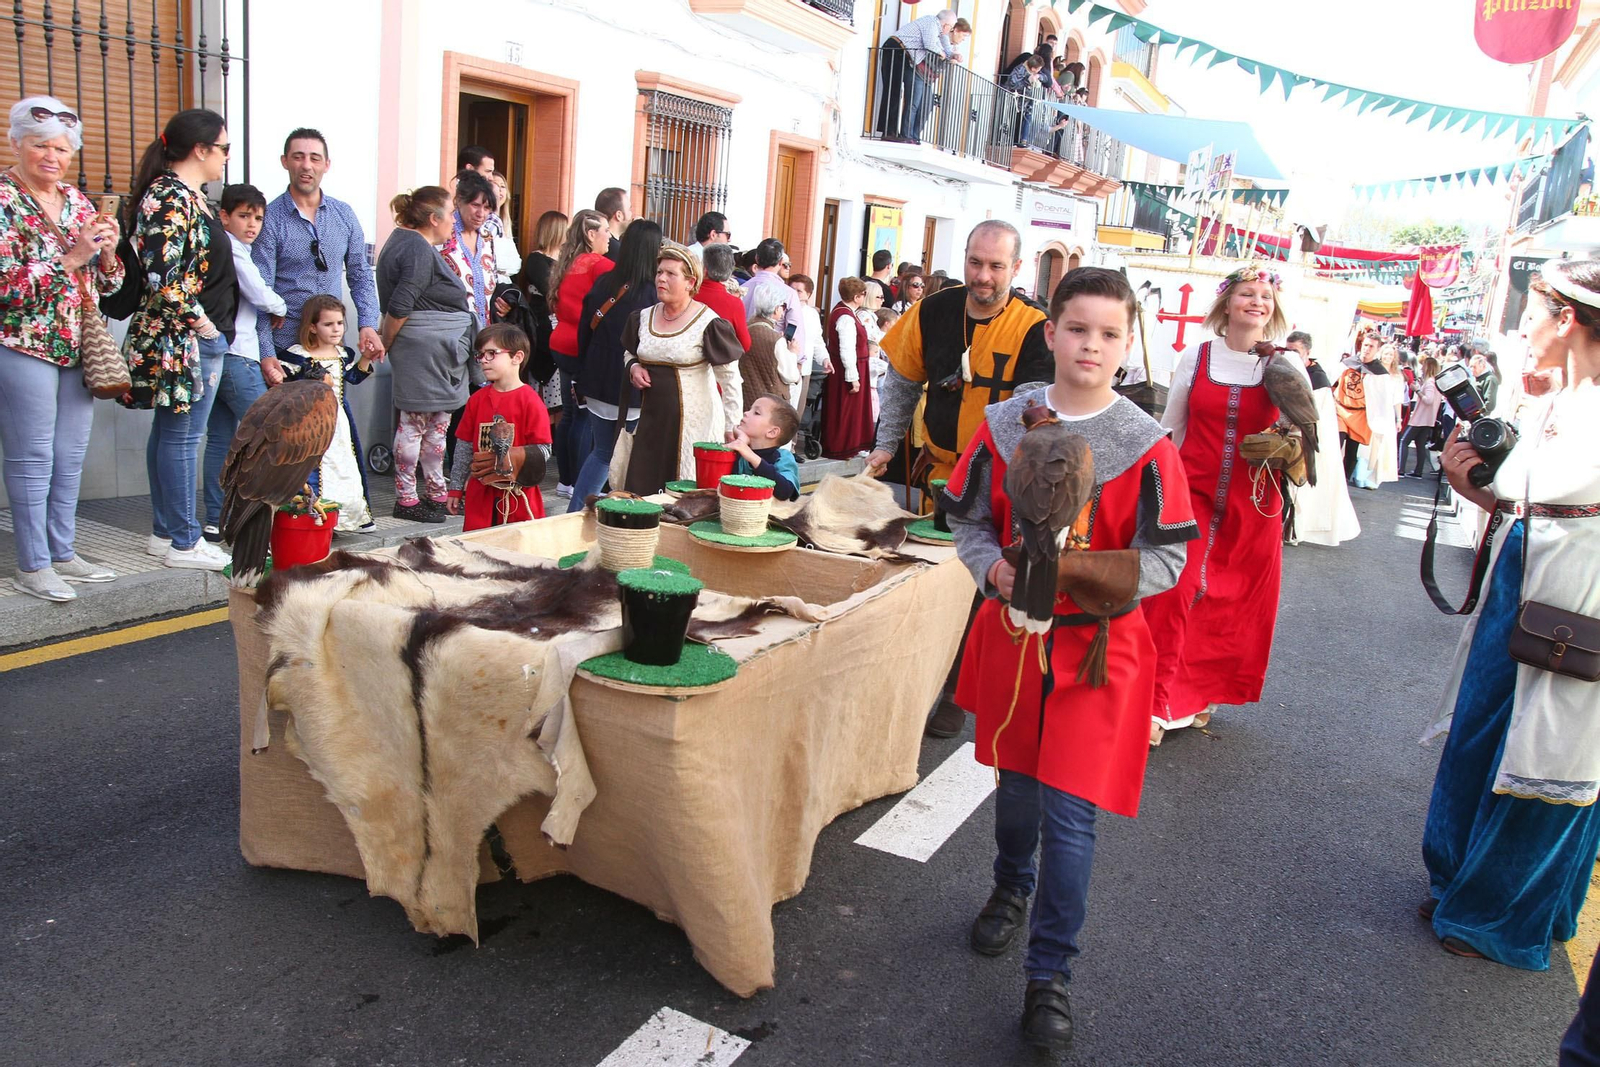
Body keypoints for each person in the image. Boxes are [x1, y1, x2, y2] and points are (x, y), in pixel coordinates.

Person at [944, 267, 1196, 1055]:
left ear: (1127, 345)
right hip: (1016, 640)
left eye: (1109, 333)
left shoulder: (1148, 447)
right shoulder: (1001, 424)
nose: (1091, 344)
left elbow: (1169, 561)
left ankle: (1049, 974)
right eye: (1077, 328)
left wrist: (1089, 577)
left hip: (1100, 652)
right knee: (1017, 793)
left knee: (1071, 815)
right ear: (1049, 332)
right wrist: (993, 571)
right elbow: (967, 524)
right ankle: (1011, 881)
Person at [1419, 258, 1600, 971]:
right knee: (1488, 717)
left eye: (1532, 313)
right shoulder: (1558, 394)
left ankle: (1505, 912)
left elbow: (1557, 490)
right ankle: (1461, 878)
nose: (1521, 327)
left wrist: (1486, 482)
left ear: (1568, 320)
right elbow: (1536, 492)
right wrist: (1482, 486)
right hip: (1527, 567)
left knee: (1548, 742)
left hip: (1579, 588)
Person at [1143, 264, 1307, 744]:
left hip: (1256, 500)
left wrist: (1290, 444)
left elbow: (1313, 437)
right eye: (1247, 294)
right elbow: (1171, 427)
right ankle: (1154, 704)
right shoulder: (1198, 356)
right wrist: (1150, 486)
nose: (1257, 302)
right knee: (1176, 587)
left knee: (1232, 601)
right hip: (1191, 490)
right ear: (1227, 304)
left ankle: (1200, 694)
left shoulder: (1285, 364)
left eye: (1265, 296)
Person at [0, 95, 123, 600]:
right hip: (24, 341)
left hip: (79, 343)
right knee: (32, 455)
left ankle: (63, 552)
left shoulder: (76, 201)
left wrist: (109, 253)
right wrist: (71, 259)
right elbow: (6, 285)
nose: (52, 157)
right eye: (40, 145)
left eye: (62, 149)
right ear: (17, 144)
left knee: (70, 454)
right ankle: (32, 564)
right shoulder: (5, 198)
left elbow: (110, 287)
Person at [122, 108, 233, 572]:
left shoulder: (186, 195)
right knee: (184, 437)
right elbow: (163, 275)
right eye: (224, 149)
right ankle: (184, 542)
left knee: (173, 435)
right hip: (183, 338)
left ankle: (167, 533)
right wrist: (203, 325)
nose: (226, 157)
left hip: (186, 335)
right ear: (200, 149)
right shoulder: (169, 196)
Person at [867, 220, 1053, 484]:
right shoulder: (930, 310)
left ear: (1016, 267)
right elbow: (902, 384)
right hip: (939, 476)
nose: (983, 276)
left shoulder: (1035, 326)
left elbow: (1033, 409)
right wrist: (886, 445)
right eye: (975, 262)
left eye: (996, 266)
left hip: (1000, 480)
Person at [375, 185, 474, 523]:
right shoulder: (415, 247)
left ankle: (434, 493)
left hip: (433, 351)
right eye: (451, 216)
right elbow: (400, 305)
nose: (454, 224)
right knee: (415, 426)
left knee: (434, 430)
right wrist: (385, 343)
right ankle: (406, 498)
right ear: (434, 219)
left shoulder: (408, 242)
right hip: (425, 350)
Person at [253, 128, 383, 385]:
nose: (306, 165)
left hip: (329, 347)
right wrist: (266, 353)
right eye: (298, 156)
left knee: (331, 420)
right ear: (285, 161)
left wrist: (367, 324)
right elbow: (259, 291)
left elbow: (360, 275)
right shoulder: (269, 219)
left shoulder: (343, 214)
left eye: (314, 158)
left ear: (326, 164)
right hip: (285, 347)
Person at [201, 183, 287, 545]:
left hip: (227, 354)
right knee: (271, 432)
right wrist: (280, 306)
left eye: (258, 217)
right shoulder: (233, 250)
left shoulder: (236, 249)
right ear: (224, 216)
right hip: (238, 355)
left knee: (222, 439)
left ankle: (215, 516)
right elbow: (257, 292)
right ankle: (261, 517)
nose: (252, 224)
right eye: (243, 216)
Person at [618, 246, 744, 493]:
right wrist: (633, 366)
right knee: (643, 491)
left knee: (683, 495)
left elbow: (730, 381)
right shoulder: (643, 317)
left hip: (695, 427)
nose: (661, 279)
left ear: (690, 282)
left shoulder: (708, 323)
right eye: (659, 272)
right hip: (652, 424)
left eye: (670, 274)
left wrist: (732, 428)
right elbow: (629, 351)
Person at [568, 218, 663, 510]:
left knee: (602, 452)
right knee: (631, 457)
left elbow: (584, 330)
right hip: (631, 387)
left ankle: (575, 513)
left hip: (597, 379)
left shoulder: (605, 282)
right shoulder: (655, 294)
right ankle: (623, 519)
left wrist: (579, 374)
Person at [277, 294, 374, 529]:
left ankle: (347, 517)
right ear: (312, 327)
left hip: (339, 421)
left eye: (340, 323)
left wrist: (366, 358)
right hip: (308, 422)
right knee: (312, 466)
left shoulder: (344, 354)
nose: (336, 329)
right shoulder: (298, 356)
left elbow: (354, 377)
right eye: (328, 324)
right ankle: (313, 515)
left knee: (345, 465)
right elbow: (285, 387)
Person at [447, 323, 551, 529]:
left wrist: (511, 458)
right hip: (481, 491)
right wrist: (456, 488)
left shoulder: (530, 401)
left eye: (492, 353)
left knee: (519, 553)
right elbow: (464, 447)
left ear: (517, 357)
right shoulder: (476, 400)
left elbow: (544, 450)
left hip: (518, 492)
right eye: (480, 354)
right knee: (479, 551)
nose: (483, 360)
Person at [547, 208, 612, 497]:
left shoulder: (568, 262)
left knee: (570, 414)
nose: (610, 237)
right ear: (591, 234)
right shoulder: (598, 264)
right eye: (606, 231)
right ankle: (576, 482)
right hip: (580, 348)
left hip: (560, 344)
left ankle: (565, 479)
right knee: (585, 416)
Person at [1283, 330, 1360, 547]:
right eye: (1287, 351)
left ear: (1307, 352)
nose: (1290, 356)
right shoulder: (1287, 370)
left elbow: (1313, 414)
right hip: (1291, 435)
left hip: (1309, 439)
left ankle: (1295, 529)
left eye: (1295, 352)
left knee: (1302, 485)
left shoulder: (1317, 379)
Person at [877, 10, 970, 144]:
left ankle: (892, 132)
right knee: (892, 90)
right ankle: (888, 132)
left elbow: (946, 48)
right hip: (895, 49)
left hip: (903, 54)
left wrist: (953, 55)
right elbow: (930, 45)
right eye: (951, 26)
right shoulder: (931, 23)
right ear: (946, 24)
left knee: (896, 91)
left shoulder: (940, 31)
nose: (951, 30)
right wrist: (941, 53)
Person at [516, 208, 566, 415]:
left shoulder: (564, 261)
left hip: (560, 327)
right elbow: (551, 289)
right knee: (544, 396)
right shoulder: (537, 260)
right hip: (543, 328)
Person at [440, 170, 498, 330]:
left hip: (484, 331)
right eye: (475, 205)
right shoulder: (443, 235)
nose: (481, 213)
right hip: (452, 329)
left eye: (487, 208)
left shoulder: (487, 237)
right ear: (459, 201)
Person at [821, 278, 872, 459]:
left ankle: (851, 445)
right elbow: (847, 349)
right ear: (857, 296)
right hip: (848, 369)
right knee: (845, 409)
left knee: (850, 410)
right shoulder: (845, 317)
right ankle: (842, 446)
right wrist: (853, 376)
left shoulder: (846, 312)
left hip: (854, 366)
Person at [728, 394, 801, 501]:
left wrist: (751, 456)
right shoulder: (739, 450)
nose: (746, 413)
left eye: (756, 413)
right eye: (749, 409)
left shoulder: (783, 457)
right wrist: (740, 442)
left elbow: (785, 491)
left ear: (772, 432)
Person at [742, 237, 803, 365]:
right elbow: (795, 331)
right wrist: (797, 360)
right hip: (775, 358)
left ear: (757, 259)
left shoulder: (742, 289)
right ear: (781, 262)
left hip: (743, 356)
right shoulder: (789, 294)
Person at [1334, 329, 1382, 482]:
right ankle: (1330, 481)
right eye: (1366, 345)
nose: (1367, 349)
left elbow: (1381, 398)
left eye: (1371, 346)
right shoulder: (1347, 364)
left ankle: (1343, 483)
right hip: (1340, 410)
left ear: (1377, 349)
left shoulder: (1379, 373)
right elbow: (1332, 382)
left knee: (1351, 453)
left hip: (1360, 415)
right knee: (1335, 445)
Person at [1352, 343, 1402, 490]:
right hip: (1370, 412)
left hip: (1386, 414)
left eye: (1391, 355)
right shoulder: (1371, 371)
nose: (1388, 357)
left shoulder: (1397, 377)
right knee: (1366, 445)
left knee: (1381, 447)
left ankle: (1373, 478)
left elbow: (1397, 399)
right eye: (1386, 353)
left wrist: (1398, 419)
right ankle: (1360, 475)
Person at [742, 281, 796, 411]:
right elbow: (791, 375)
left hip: (746, 398)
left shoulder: (746, 329)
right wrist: (792, 352)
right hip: (770, 403)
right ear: (777, 308)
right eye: (783, 305)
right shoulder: (775, 340)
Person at [694, 243, 753, 354]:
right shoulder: (734, 303)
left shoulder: (688, 293)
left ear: (704, 269)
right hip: (719, 362)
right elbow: (745, 344)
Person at [789, 272, 829, 416]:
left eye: (799, 291)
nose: (794, 293)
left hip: (804, 369)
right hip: (786, 366)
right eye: (791, 289)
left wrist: (824, 358)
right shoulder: (784, 309)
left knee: (796, 412)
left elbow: (817, 340)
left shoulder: (812, 314)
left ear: (808, 294)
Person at [1400, 355, 1443, 478]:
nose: (1422, 368)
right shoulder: (1434, 382)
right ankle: (1418, 471)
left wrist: (1417, 390)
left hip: (1421, 418)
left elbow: (1428, 400)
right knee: (1420, 444)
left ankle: (1401, 469)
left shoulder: (1430, 382)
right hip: (1428, 418)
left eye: (1424, 365)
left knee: (1404, 441)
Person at [487, 170, 520, 284]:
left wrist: (499, 265)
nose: (499, 190)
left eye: (502, 186)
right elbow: (486, 258)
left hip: (504, 284)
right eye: (495, 185)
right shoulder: (484, 222)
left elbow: (516, 264)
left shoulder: (504, 223)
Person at [872, 307, 898, 422]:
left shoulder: (875, 335)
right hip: (883, 377)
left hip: (877, 377)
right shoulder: (885, 338)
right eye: (894, 322)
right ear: (887, 323)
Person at [594, 186, 630, 259]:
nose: (632, 214)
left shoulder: (598, 243)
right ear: (619, 215)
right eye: (629, 209)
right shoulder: (614, 250)